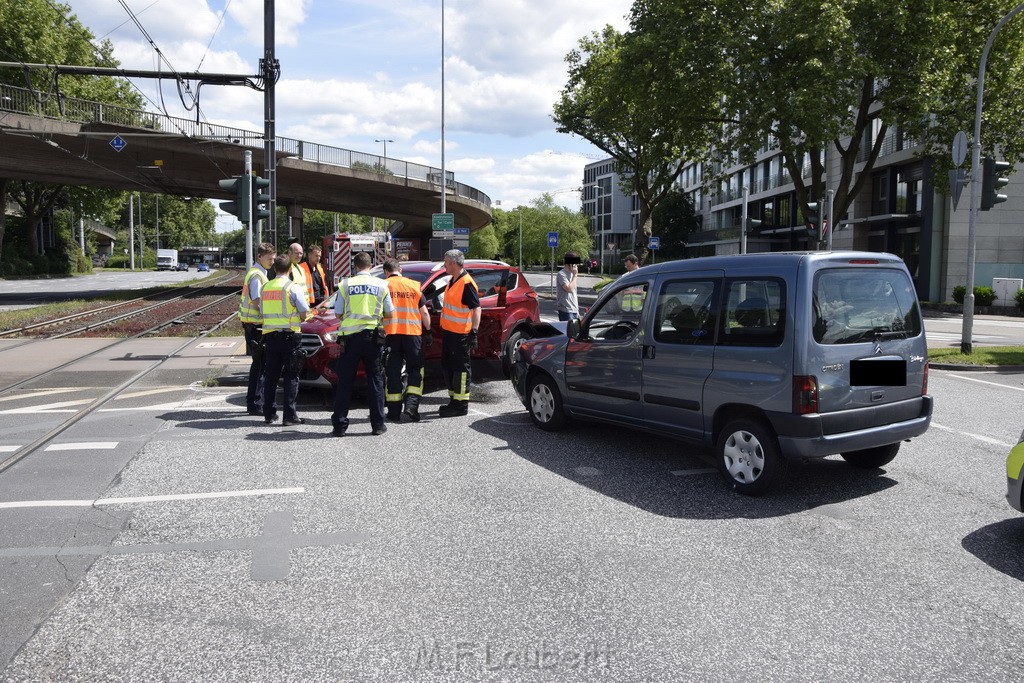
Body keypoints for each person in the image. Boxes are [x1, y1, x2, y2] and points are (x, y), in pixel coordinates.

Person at [331, 251, 394, 437]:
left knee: (345, 382)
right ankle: (378, 425)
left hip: (350, 339)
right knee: (375, 379)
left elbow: (337, 313)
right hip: (372, 338)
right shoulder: (382, 284)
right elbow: (390, 312)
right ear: (371, 265)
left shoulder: (345, 284)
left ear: (355, 266)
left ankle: (339, 427)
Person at [260, 254, 312, 426]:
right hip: (290, 338)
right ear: (290, 270)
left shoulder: (266, 287)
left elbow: (262, 311)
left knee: (271, 377)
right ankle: (289, 416)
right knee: (291, 376)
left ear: (275, 269)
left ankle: (269, 414)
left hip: (270, 338)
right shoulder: (292, 287)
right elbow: (304, 313)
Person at [382, 258, 431, 422]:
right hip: (413, 334)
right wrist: (429, 331)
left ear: (386, 272)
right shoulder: (414, 285)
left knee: (393, 372)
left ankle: (394, 412)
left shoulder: (383, 286)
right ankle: (411, 406)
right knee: (416, 370)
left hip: (392, 335)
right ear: (400, 270)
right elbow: (424, 313)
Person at [438, 249, 481, 418]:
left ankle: (461, 405)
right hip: (450, 333)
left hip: (460, 335)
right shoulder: (452, 280)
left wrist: (474, 332)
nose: (444, 265)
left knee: (461, 369)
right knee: (448, 367)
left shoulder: (467, 283)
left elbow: (476, 308)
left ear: (454, 264)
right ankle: (453, 401)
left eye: (446, 263)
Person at [240, 242, 276, 416]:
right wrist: (270, 317)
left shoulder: (259, 273)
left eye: (274, 258)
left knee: (259, 365)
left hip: (253, 324)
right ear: (260, 257)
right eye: (269, 258)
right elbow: (257, 301)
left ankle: (254, 402)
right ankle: (255, 403)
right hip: (255, 325)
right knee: (260, 366)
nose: (272, 261)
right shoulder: (257, 276)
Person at [556, 251, 581, 321]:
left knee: (576, 331)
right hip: (566, 310)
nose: (576, 265)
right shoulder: (562, 274)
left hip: (574, 310)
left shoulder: (572, 274)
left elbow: (574, 293)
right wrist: (575, 275)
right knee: (568, 331)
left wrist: (577, 311)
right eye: (575, 263)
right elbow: (569, 289)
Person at [287, 240, 310, 306]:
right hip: (294, 306)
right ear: (289, 253)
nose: (299, 255)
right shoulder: (286, 268)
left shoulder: (300, 268)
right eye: (296, 253)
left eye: (301, 253)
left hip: (303, 305)